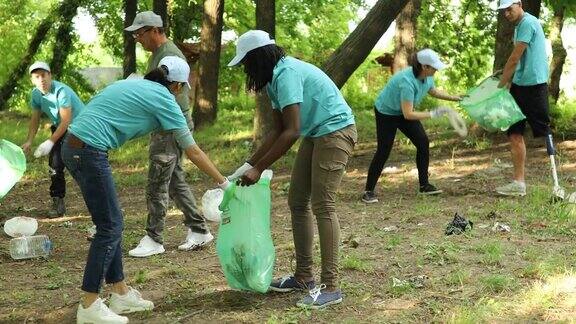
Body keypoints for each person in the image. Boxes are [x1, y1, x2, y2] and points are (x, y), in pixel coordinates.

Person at [63, 56, 230, 323]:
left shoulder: (135, 84)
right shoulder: (165, 99)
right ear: (176, 85)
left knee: (111, 222)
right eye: (182, 87)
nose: (182, 92)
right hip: (88, 151)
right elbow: (193, 150)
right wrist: (224, 182)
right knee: (110, 226)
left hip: (74, 148)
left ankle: (120, 293)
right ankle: (89, 304)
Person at [227, 30, 357, 309]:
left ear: (258, 57)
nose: (246, 70)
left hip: (336, 131)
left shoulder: (286, 74)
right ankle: (303, 277)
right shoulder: (274, 79)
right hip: (317, 133)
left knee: (323, 205)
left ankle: (331, 287)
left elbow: (292, 132)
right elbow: (278, 129)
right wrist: (248, 165)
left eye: (246, 63)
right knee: (297, 201)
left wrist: (260, 168)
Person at [124, 11, 212, 257]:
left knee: (158, 182)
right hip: (167, 124)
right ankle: (199, 229)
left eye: (140, 34)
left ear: (154, 30)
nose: (138, 39)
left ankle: (154, 238)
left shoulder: (169, 55)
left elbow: (174, 97)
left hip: (171, 125)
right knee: (174, 180)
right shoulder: (158, 55)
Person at [361, 49, 462, 204]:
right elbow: (408, 114)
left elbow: (433, 91)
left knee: (423, 142)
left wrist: (455, 98)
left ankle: (424, 185)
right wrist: (434, 113)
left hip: (403, 112)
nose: (436, 70)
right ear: (424, 67)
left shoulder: (426, 77)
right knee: (384, 150)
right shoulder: (407, 82)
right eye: (434, 67)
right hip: (387, 112)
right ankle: (368, 191)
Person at [495, 0, 552, 197]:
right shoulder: (519, 26)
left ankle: (556, 183)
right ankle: (519, 183)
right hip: (519, 86)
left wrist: (500, 87)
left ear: (519, 4)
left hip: (535, 86)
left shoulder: (529, 23)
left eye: (509, 9)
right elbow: (517, 64)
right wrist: (510, 82)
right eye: (503, 11)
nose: (506, 14)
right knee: (514, 132)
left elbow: (514, 58)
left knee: (545, 132)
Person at [21, 61, 85, 217]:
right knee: (55, 163)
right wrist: (29, 140)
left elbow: (66, 121)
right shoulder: (36, 94)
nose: (41, 80)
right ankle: (58, 202)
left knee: (77, 162)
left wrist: (50, 141)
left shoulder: (61, 91)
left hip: (80, 128)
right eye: (37, 77)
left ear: (50, 76)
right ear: (32, 80)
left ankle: (97, 199)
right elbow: (35, 119)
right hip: (60, 127)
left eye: (44, 75)